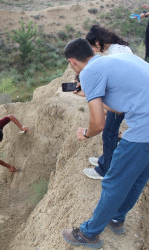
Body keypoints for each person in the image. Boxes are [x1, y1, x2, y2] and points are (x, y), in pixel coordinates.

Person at [62, 38, 149, 248]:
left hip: (144, 131)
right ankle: (117, 218)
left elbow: (98, 123)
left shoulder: (88, 72)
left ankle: (89, 233)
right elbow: (122, 107)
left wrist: (86, 133)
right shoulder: (117, 59)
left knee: (113, 181)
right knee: (138, 178)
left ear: (72, 61)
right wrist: (90, 94)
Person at [82, 25, 133, 180]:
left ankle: (105, 170)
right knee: (110, 132)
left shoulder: (116, 55)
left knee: (109, 132)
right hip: (123, 98)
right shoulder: (119, 49)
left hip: (123, 100)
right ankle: (106, 159)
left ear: (97, 42)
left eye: (92, 47)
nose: (94, 51)